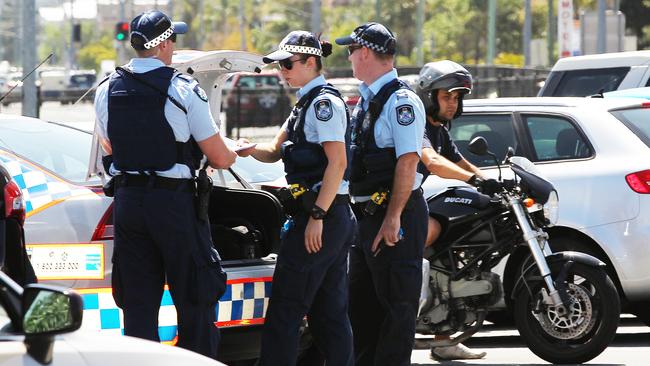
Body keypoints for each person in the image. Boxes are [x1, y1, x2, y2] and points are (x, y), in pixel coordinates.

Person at [93, 10, 235, 359]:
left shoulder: (107, 89)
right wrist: (233, 152)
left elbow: (110, 146)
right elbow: (218, 157)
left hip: (129, 204)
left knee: (137, 305)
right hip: (173, 207)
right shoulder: (181, 89)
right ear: (165, 44)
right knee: (195, 298)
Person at [237, 31, 355, 365]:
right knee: (328, 315)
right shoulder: (304, 103)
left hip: (320, 218)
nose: (282, 71)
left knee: (286, 312)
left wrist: (317, 216)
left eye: (288, 64)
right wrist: (245, 149)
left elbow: (338, 162)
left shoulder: (323, 105)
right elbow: (275, 150)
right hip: (325, 217)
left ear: (311, 62)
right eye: (279, 65)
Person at [335, 23, 428, 366]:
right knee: (362, 307)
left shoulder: (401, 101)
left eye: (351, 51)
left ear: (364, 53)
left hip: (394, 216)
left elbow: (408, 162)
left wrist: (393, 218)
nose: (349, 58)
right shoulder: (367, 99)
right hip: (367, 217)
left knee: (396, 309)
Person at [415, 60, 490, 361]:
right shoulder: (417, 123)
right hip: (392, 205)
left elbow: (459, 161)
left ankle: (444, 340)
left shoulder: (440, 130)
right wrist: (472, 179)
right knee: (415, 261)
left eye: (457, 97)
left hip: (410, 201)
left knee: (441, 263)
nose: (452, 103)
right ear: (430, 96)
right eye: (447, 96)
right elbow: (432, 162)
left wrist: (492, 180)